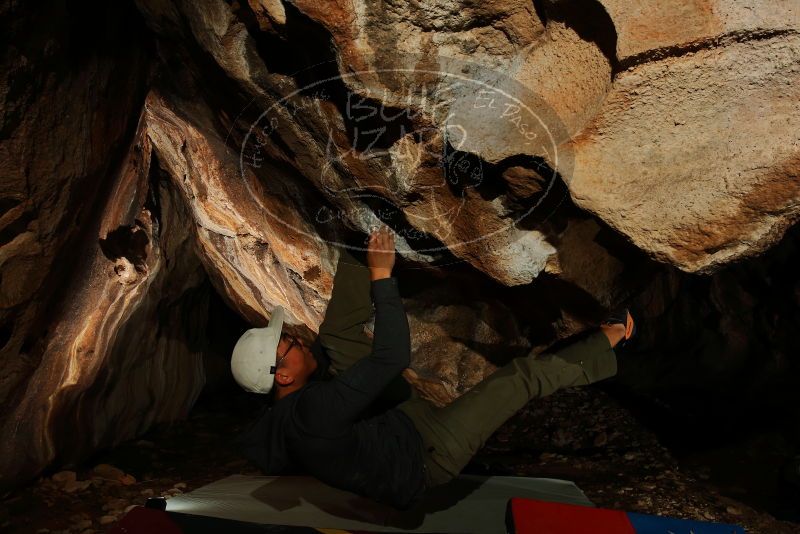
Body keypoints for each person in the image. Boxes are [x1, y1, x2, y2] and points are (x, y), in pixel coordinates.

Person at [233, 226, 635, 509]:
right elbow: (391, 357)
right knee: (521, 378)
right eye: (287, 343)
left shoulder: (289, 408)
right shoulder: (312, 415)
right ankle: (613, 337)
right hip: (428, 454)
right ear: (281, 375)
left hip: (390, 426)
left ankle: (367, 239)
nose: (296, 339)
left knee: (336, 336)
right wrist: (380, 275)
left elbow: (333, 353)